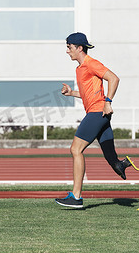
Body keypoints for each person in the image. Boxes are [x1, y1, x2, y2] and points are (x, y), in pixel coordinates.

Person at [55, 32, 131, 209]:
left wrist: (108, 102)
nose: (67, 51)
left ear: (79, 48)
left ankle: (76, 196)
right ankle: (122, 164)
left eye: (69, 47)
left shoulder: (91, 64)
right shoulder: (80, 68)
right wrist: (71, 93)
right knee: (111, 158)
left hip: (98, 112)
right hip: (99, 113)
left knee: (75, 149)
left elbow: (114, 78)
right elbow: (88, 94)